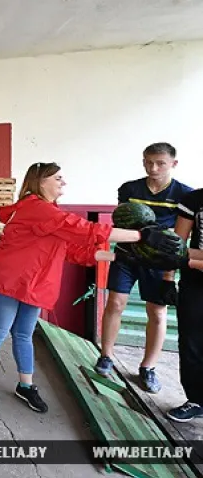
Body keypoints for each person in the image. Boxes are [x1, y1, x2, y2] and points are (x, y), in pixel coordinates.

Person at [0, 162, 185, 413]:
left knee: (23, 335)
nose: (64, 182)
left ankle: (26, 385)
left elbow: (73, 251)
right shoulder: (36, 207)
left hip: (34, 284)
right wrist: (142, 236)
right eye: (58, 178)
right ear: (41, 182)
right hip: (6, 281)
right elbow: (85, 229)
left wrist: (122, 258)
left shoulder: (50, 212)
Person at [95, 142, 193, 393]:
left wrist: (170, 274)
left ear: (174, 163)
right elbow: (123, 220)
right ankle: (106, 356)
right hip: (127, 256)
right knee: (115, 303)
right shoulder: (129, 189)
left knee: (157, 312)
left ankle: (148, 367)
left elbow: (180, 236)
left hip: (160, 262)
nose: (153, 167)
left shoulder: (185, 194)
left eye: (160, 163)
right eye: (148, 162)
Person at [164, 188, 203, 422]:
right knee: (191, 342)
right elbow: (178, 245)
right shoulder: (194, 199)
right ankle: (196, 400)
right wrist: (168, 278)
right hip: (195, 284)